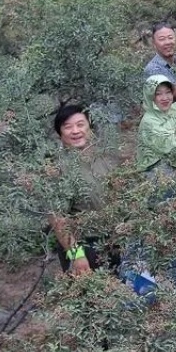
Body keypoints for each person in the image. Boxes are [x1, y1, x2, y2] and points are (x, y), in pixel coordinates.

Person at [48, 105, 121, 274]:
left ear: (90, 126)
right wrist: (76, 255)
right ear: (60, 133)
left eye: (80, 124)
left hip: (112, 239)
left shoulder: (103, 156)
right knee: (89, 295)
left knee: (115, 289)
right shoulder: (57, 168)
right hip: (84, 245)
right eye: (68, 126)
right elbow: (57, 218)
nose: (75, 131)